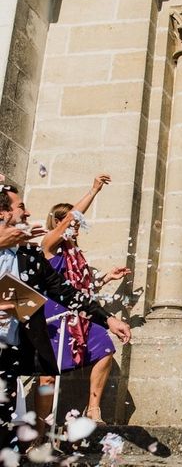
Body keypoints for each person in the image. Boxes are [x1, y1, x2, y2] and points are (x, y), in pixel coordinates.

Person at [0, 184, 131, 448]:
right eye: (21, 207)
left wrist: (109, 319)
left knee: (6, 433)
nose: (28, 213)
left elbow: (66, 292)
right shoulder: (47, 241)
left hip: (9, 353)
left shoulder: (29, 256)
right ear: (2, 213)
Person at [34, 174, 130, 435]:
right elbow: (71, 218)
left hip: (80, 316)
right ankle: (40, 430)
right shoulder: (49, 247)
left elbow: (82, 290)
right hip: (54, 318)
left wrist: (107, 278)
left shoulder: (77, 255)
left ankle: (93, 408)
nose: (75, 224)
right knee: (47, 376)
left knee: (105, 347)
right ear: (57, 223)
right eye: (67, 220)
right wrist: (93, 191)